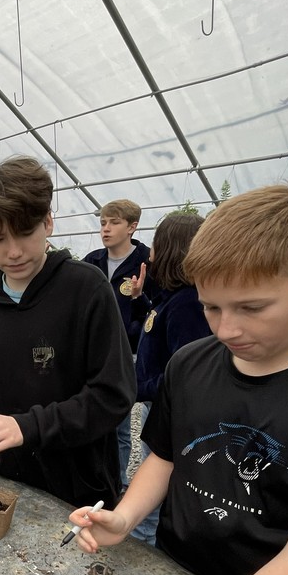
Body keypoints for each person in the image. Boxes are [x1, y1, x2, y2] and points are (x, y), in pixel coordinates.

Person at [68, 183, 288, 575]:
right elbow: (164, 457)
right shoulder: (190, 364)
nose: (226, 330)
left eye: (251, 308)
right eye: (212, 307)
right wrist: (125, 515)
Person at [0, 156, 136, 510]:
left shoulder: (85, 288)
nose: (14, 251)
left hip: (80, 487)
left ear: (47, 222)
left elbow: (114, 396)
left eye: (25, 233)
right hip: (12, 475)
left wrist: (28, 427)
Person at [129, 212, 212, 545]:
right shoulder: (168, 299)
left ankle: (140, 546)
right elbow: (148, 335)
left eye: (157, 240)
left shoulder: (186, 304)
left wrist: (138, 388)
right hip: (157, 408)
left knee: (153, 483)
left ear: (171, 248)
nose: (150, 248)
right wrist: (139, 303)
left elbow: (186, 373)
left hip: (170, 413)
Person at [83, 199, 154, 491]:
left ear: (132, 227)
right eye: (103, 223)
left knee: (121, 426)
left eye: (113, 223)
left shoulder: (148, 262)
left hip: (129, 354)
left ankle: (118, 483)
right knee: (91, 417)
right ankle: (94, 475)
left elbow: (154, 312)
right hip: (93, 354)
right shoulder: (92, 261)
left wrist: (136, 315)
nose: (106, 229)